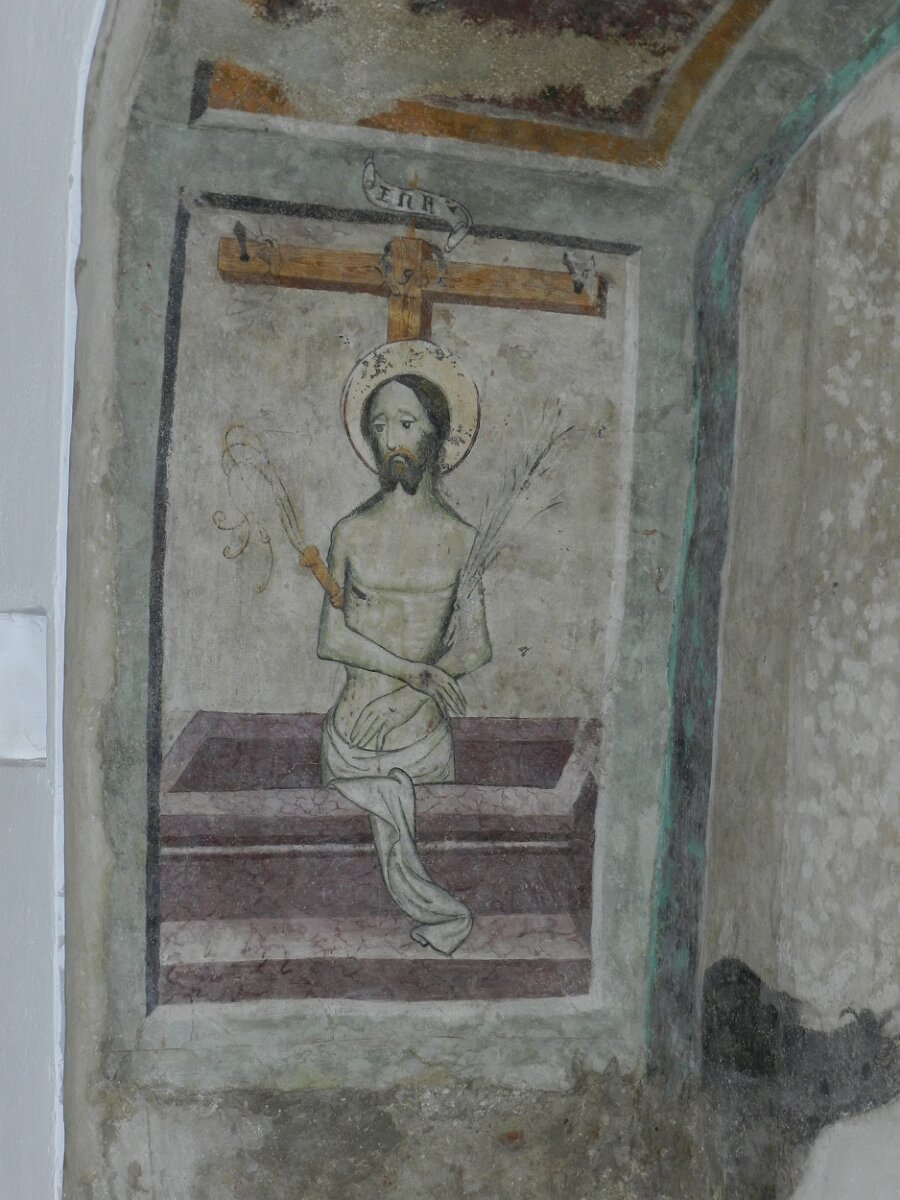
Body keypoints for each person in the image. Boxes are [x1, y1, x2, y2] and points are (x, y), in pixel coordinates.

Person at [316, 343, 491, 954]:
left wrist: (416, 692)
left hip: (422, 746)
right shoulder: (350, 532)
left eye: (407, 423)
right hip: (352, 742)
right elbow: (331, 637)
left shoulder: (463, 540)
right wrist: (414, 674)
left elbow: (475, 646)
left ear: (435, 436)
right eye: (381, 425)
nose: (392, 438)